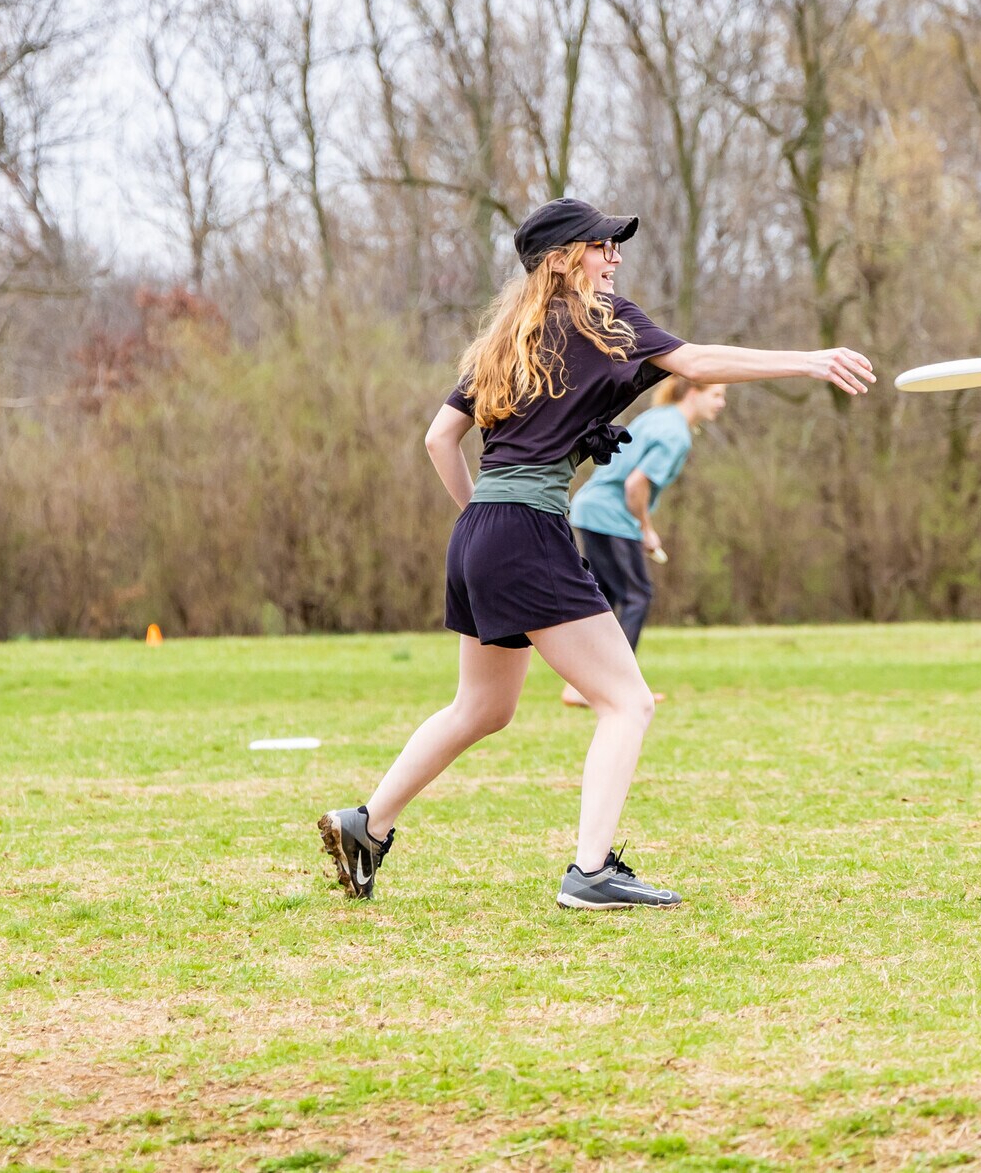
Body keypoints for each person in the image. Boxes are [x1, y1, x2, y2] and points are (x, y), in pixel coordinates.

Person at [317, 197, 874, 909]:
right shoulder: (606, 320)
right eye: (602, 246)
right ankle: (590, 871)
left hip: (481, 529)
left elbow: (438, 440)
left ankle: (369, 824)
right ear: (563, 259)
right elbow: (695, 360)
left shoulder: (503, 341)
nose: (614, 257)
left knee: (481, 707)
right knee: (627, 702)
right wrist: (810, 360)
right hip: (524, 531)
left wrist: (489, 516)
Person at [558, 376, 726, 706]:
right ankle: (617, 686)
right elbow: (636, 485)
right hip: (610, 515)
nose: (721, 403)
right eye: (717, 394)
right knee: (637, 596)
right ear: (693, 393)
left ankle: (584, 687)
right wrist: (645, 528)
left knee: (602, 599)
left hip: (589, 509)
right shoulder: (676, 433)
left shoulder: (658, 416)